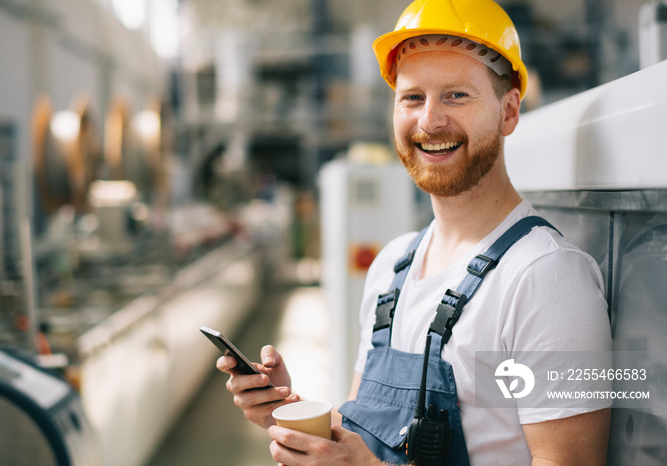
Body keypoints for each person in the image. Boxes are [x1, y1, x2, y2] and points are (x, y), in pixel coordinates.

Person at [217, 0, 612, 464]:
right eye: (412, 97)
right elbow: (363, 432)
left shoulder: (546, 278)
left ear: (508, 112)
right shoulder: (392, 266)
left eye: (457, 95)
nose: (429, 120)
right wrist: (291, 417)